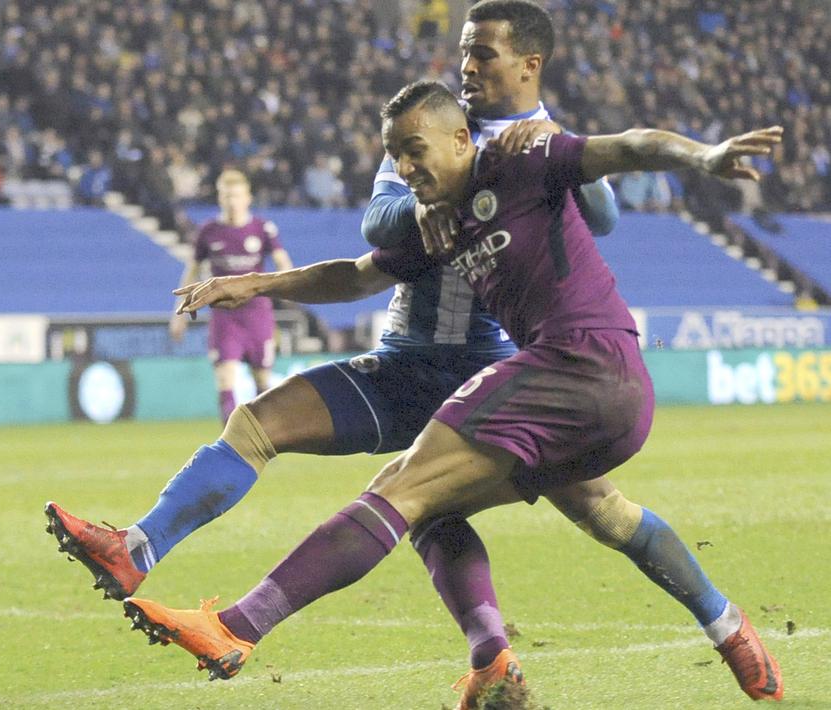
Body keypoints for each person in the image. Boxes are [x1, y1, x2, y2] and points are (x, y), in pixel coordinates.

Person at [44, 3, 733, 704]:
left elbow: (605, 214)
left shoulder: (530, 145)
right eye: (463, 53)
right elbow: (374, 235)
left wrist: (567, 146)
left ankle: (714, 624)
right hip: (408, 363)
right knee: (263, 425)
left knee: (587, 512)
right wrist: (403, 207)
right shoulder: (422, 136)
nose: (467, 66)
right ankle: (139, 549)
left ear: (526, 67)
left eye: (481, 54)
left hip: (492, 371)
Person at [168, 169, 293, 422]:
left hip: (257, 314)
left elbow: (284, 265)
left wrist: (286, 287)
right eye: (226, 196)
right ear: (219, 198)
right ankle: (232, 447)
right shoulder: (209, 231)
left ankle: (263, 440)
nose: (231, 201)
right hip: (225, 318)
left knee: (262, 381)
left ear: (247, 197)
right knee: (225, 378)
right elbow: (191, 272)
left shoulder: (262, 229)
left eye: (236, 195)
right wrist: (178, 314)